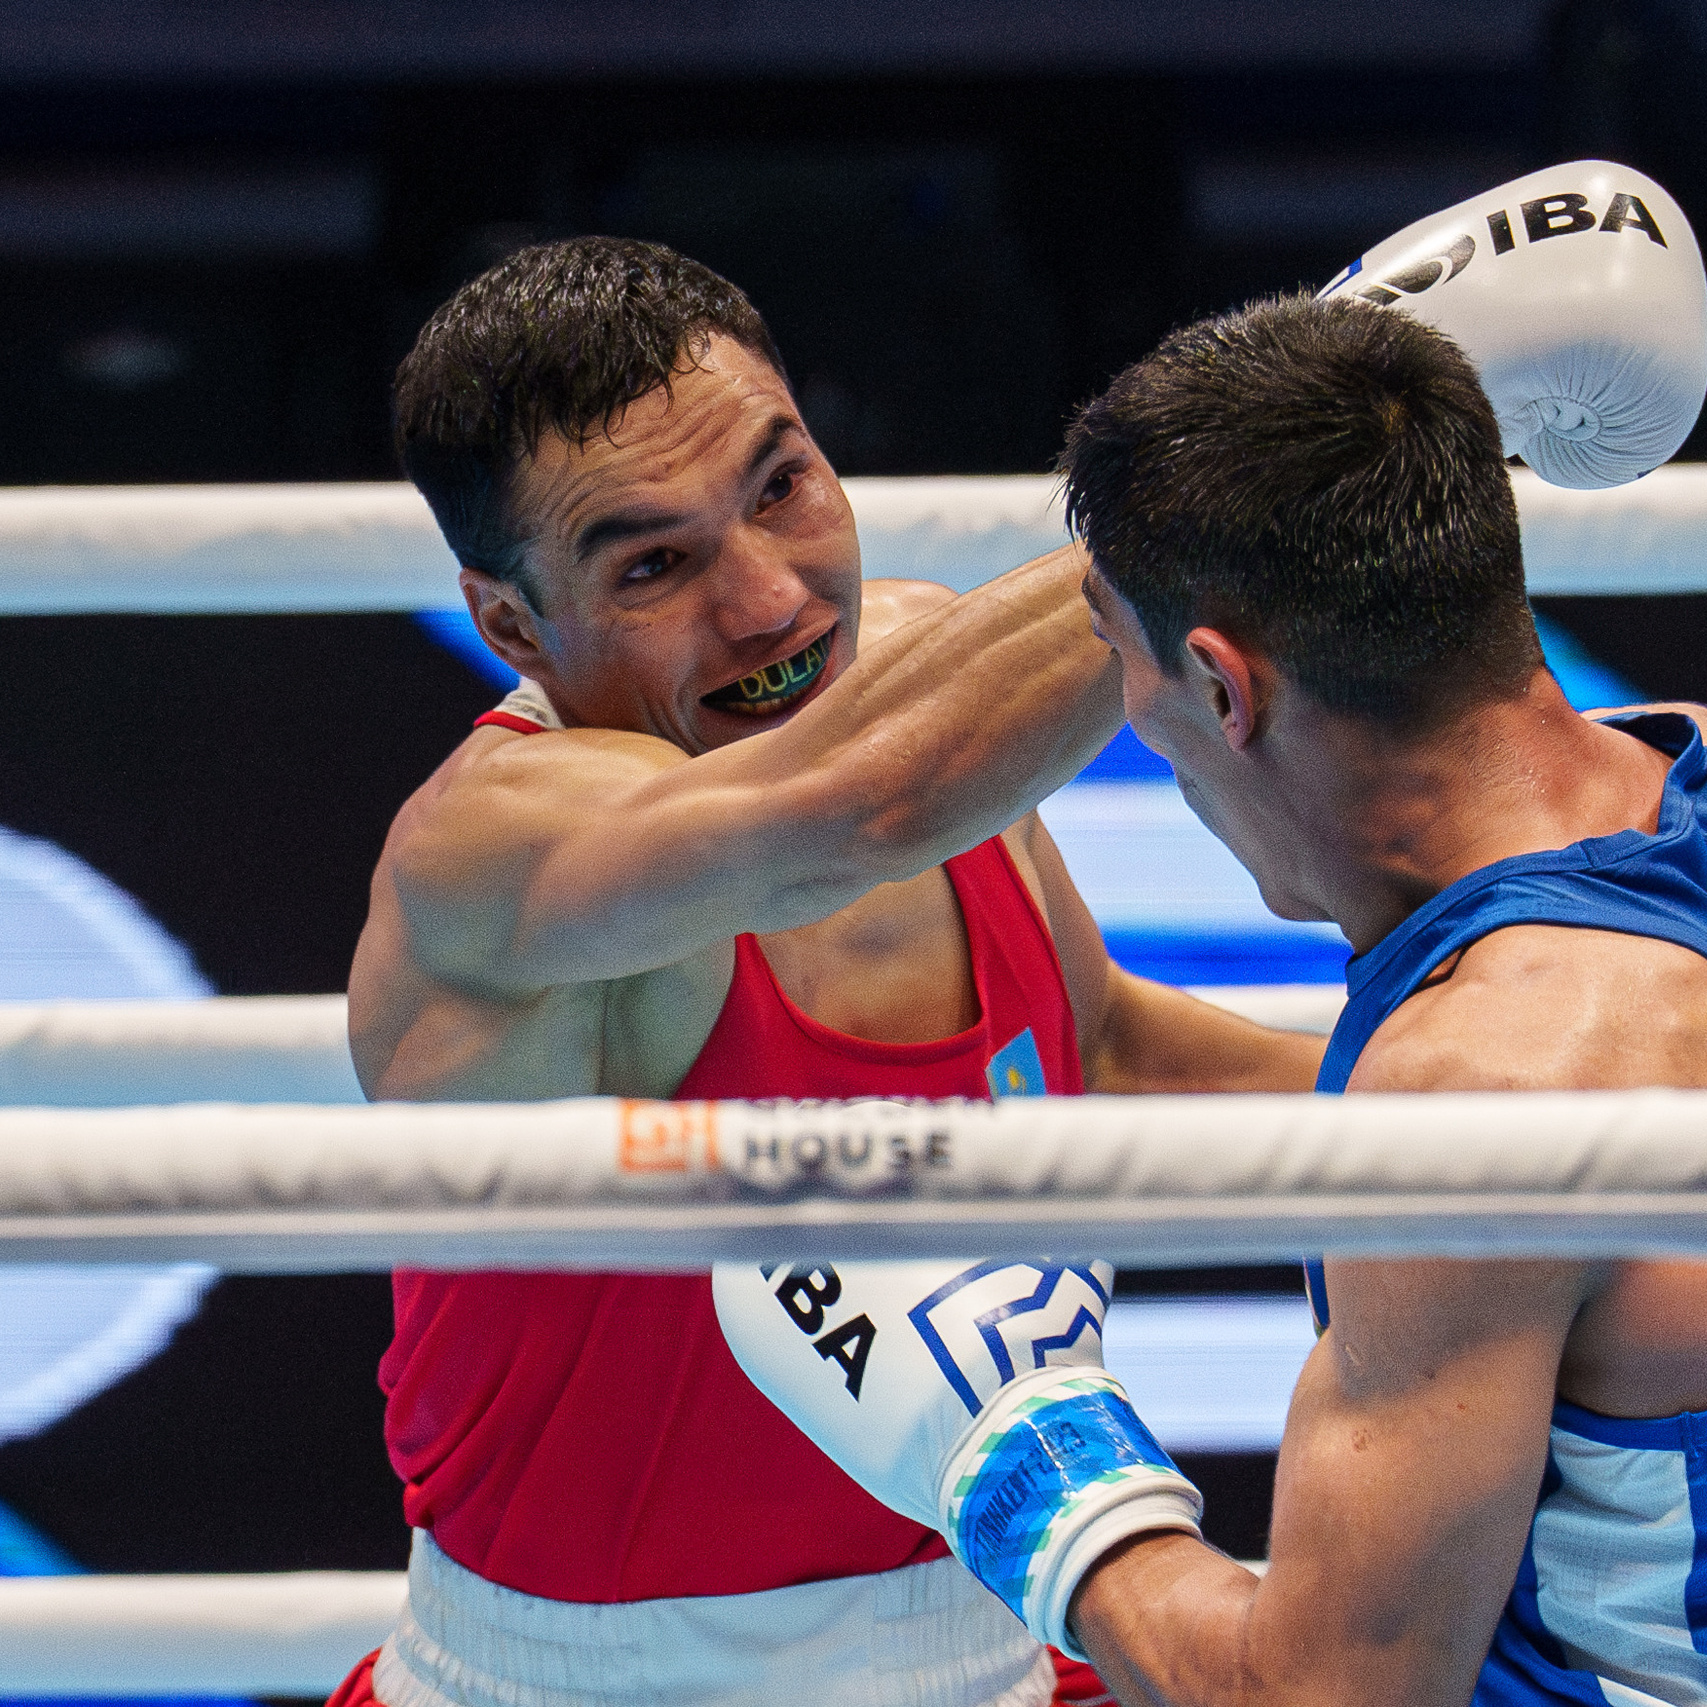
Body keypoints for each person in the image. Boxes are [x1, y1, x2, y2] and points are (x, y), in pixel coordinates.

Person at [717, 293, 1707, 1707]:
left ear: (1222, 685)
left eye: (1121, 670)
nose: (1132, 723)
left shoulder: (1485, 1097)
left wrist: (1027, 1462)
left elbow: (1322, 1697)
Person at [334, 238, 1327, 1707]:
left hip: (997, 1651)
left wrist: (1533, 1122)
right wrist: (1342, 392)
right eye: (655, 563)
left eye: (781, 485)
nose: (769, 601)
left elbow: (1092, 1055)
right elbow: (857, 806)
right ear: (511, 625)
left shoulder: (932, 692)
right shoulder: (488, 852)